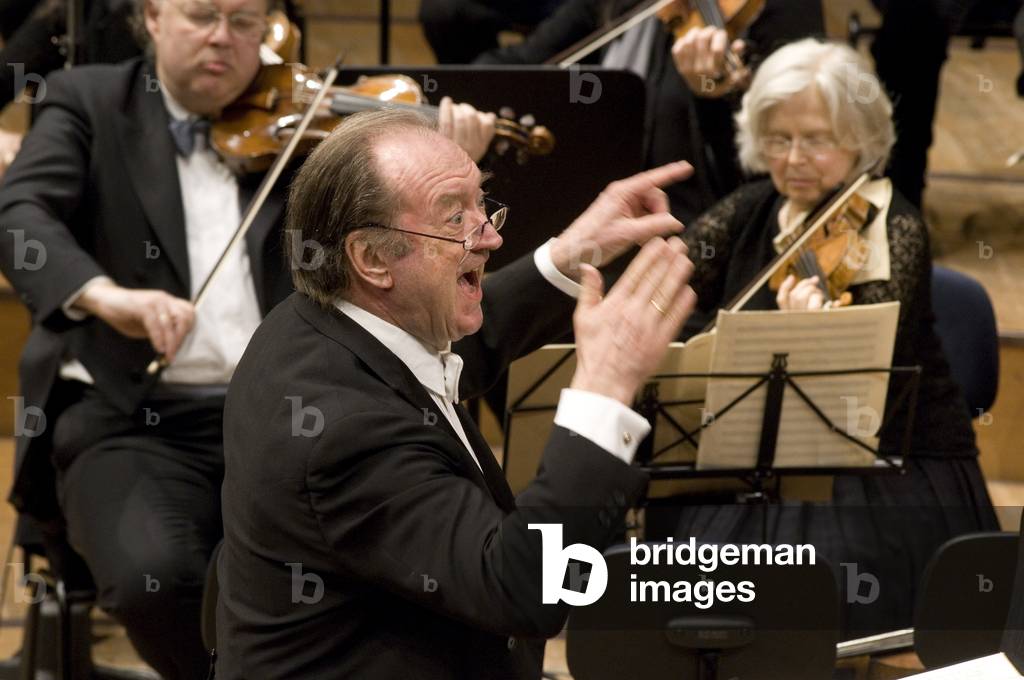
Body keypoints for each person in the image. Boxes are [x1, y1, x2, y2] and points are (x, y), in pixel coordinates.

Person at [0, 0, 496, 676]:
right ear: (153, 17)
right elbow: (20, 214)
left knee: (392, 578)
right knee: (153, 579)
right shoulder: (87, 100)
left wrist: (448, 165)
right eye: (203, 16)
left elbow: (404, 228)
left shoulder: (300, 123)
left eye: (244, 22)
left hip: (289, 413)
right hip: (133, 417)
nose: (223, 39)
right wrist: (107, 297)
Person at [215, 108, 697, 679]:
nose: (491, 235)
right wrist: (606, 386)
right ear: (372, 258)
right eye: (455, 218)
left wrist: (570, 254)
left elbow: (455, 351)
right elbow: (526, 589)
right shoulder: (344, 435)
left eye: (481, 203)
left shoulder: (315, 323)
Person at [671, 37, 999, 635]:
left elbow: (866, 388)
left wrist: (815, 337)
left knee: (811, 583)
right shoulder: (754, 206)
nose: (795, 158)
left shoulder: (894, 228)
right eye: (779, 138)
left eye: (817, 140)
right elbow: (673, 277)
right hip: (765, 459)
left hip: (886, 471)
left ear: (861, 140)